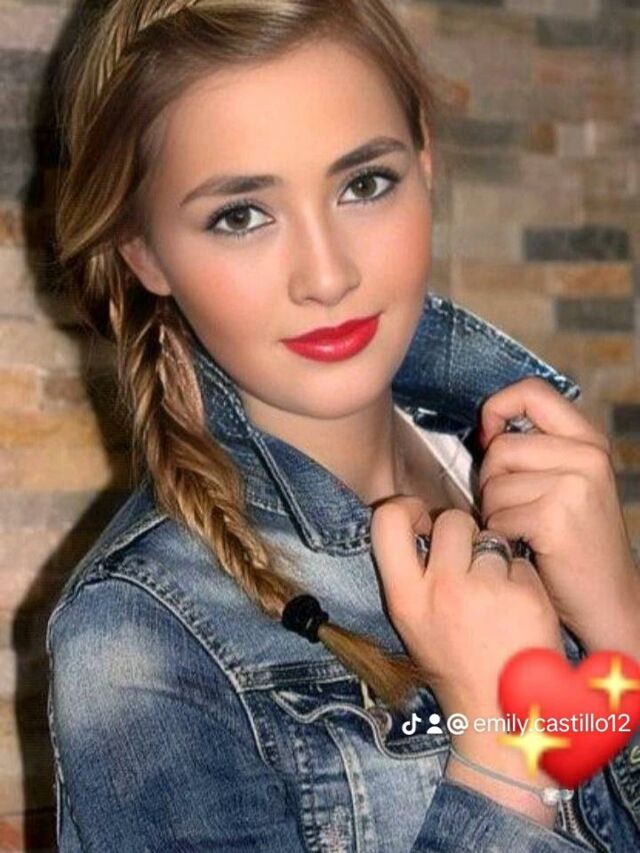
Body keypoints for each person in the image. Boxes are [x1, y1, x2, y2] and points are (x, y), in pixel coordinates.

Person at [45, 1, 640, 850]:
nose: (327, 276)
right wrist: (500, 758)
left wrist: (621, 627)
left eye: (363, 184)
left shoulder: (537, 480)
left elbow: (592, 748)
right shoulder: (137, 636)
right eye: (241, 215)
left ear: (424, 159)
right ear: (142, 251)